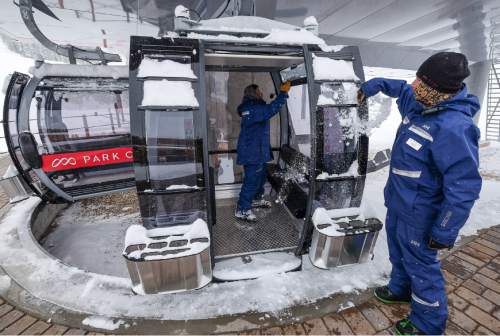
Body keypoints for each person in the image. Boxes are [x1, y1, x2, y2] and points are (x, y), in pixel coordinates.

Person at [358, 52, 482, 335]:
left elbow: (463, 187)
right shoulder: (420, 105)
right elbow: (402, 89)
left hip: (423, 214)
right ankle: (400, 289)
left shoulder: (454, 127)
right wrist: (374, 84)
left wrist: (444, 230)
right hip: (400, 204)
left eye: (421, 83)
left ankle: (427, 324)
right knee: (399, 253)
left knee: (422, 267)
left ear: (438, 90)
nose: (414, 86)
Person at [235, 81, 291, 222]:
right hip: (252, 152)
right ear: (253, 93)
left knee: (260, 178)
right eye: (259, 91)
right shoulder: (251, 108)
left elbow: (266, 109)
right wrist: (283, 93)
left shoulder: (254, 107)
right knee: (251, 180)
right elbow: (270, 109)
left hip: (257, 150)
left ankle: (255, 199)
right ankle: (242, 209)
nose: (261, 93)